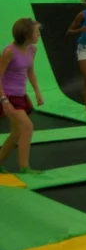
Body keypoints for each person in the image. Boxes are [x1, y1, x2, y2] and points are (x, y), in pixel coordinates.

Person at [0, 19, 44, 174]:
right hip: (8, 96)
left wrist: (37, 92)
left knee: (17, 132)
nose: (38, 34)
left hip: (20, 95)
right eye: (36, 32)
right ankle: (25, 167)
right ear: (26, 34)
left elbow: (30, 72)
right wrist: (4, 100)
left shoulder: (32, 49)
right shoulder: (9, 51)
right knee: (27, 127)